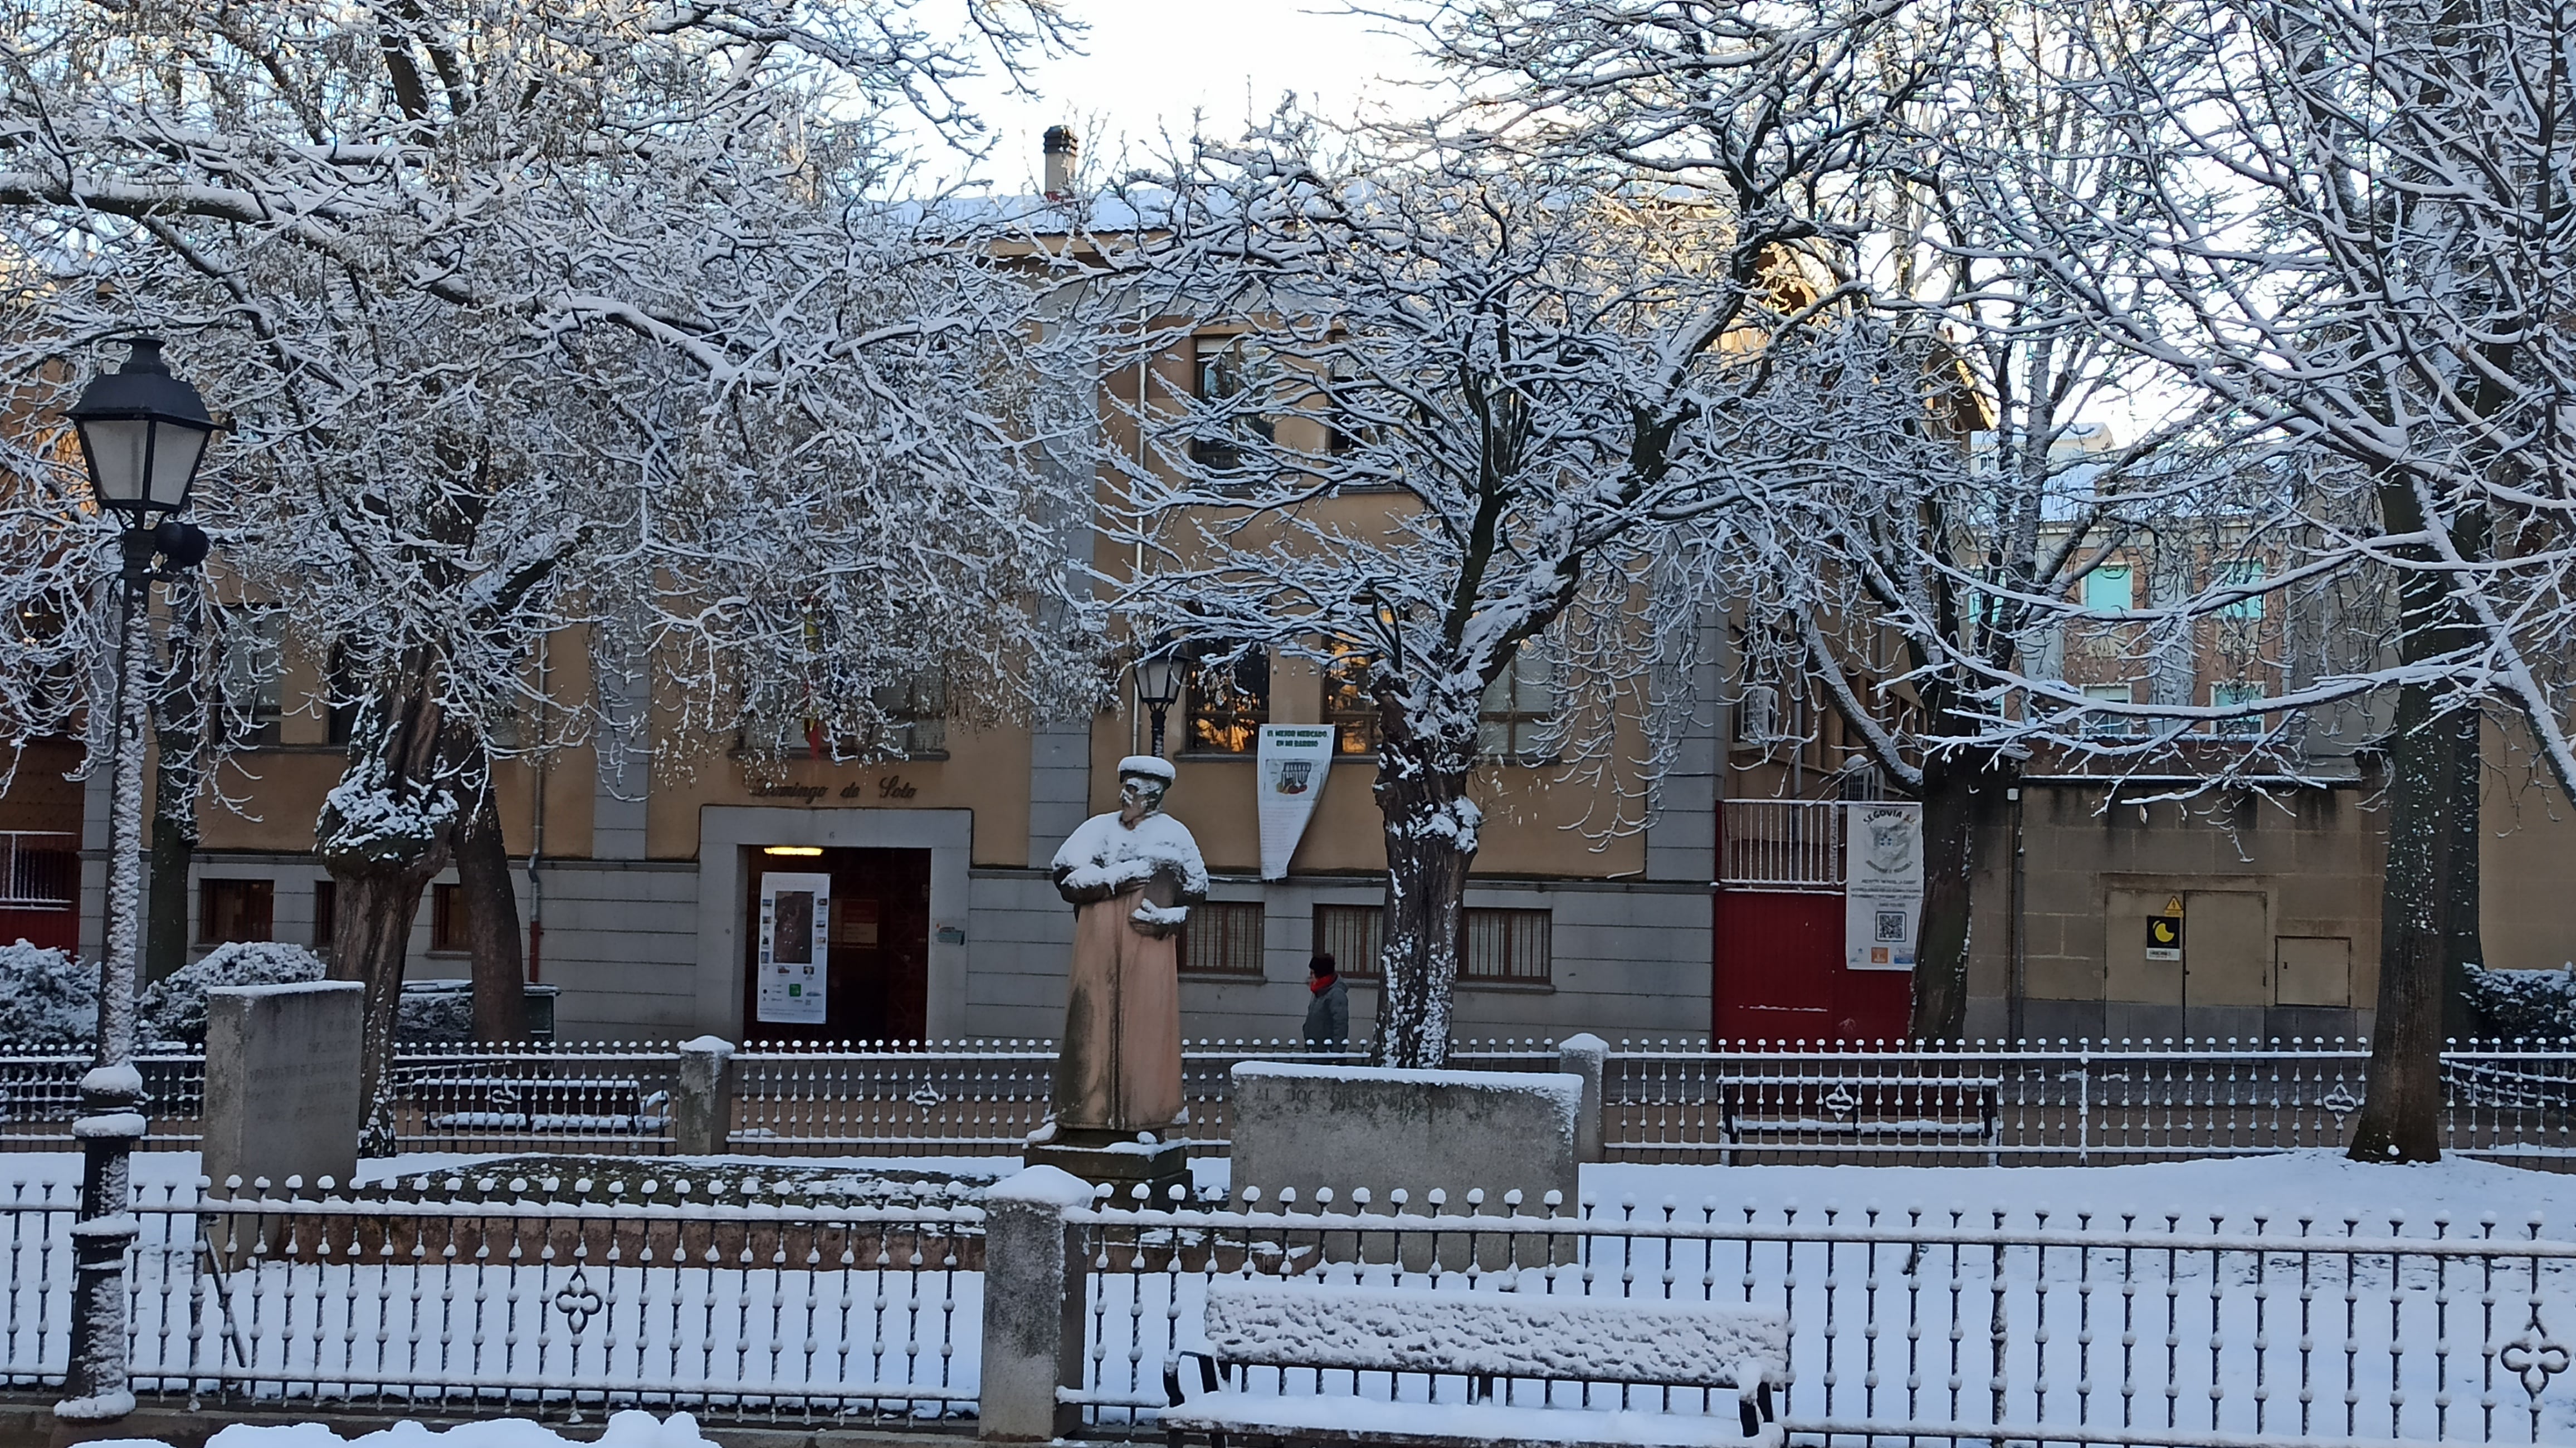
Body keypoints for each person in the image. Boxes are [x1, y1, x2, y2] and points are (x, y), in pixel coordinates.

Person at [1044, 756, 1208, 1137]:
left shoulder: (1175, 836)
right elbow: (1067, 879)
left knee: (1147, 1033)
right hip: (1096, 949)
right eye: (1125, 787)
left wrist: (1171, 919)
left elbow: (1197, 893)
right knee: (1088, 1030)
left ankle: (1146, 1119)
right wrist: (1120, 876)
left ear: (1155, 796)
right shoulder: (1097, 830)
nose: (1126, 796)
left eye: (1135, 790)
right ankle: (1076, 1119)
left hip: (1149, 951)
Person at [1303, 951, 1349, 1053]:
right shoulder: (1318, 992)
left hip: (1327, 1053)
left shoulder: (1336, 995)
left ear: (1320, 974)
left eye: (1313, 972)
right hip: (1315, 1049)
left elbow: (1340, 1026)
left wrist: (1336, 1055)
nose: (1311, 976)